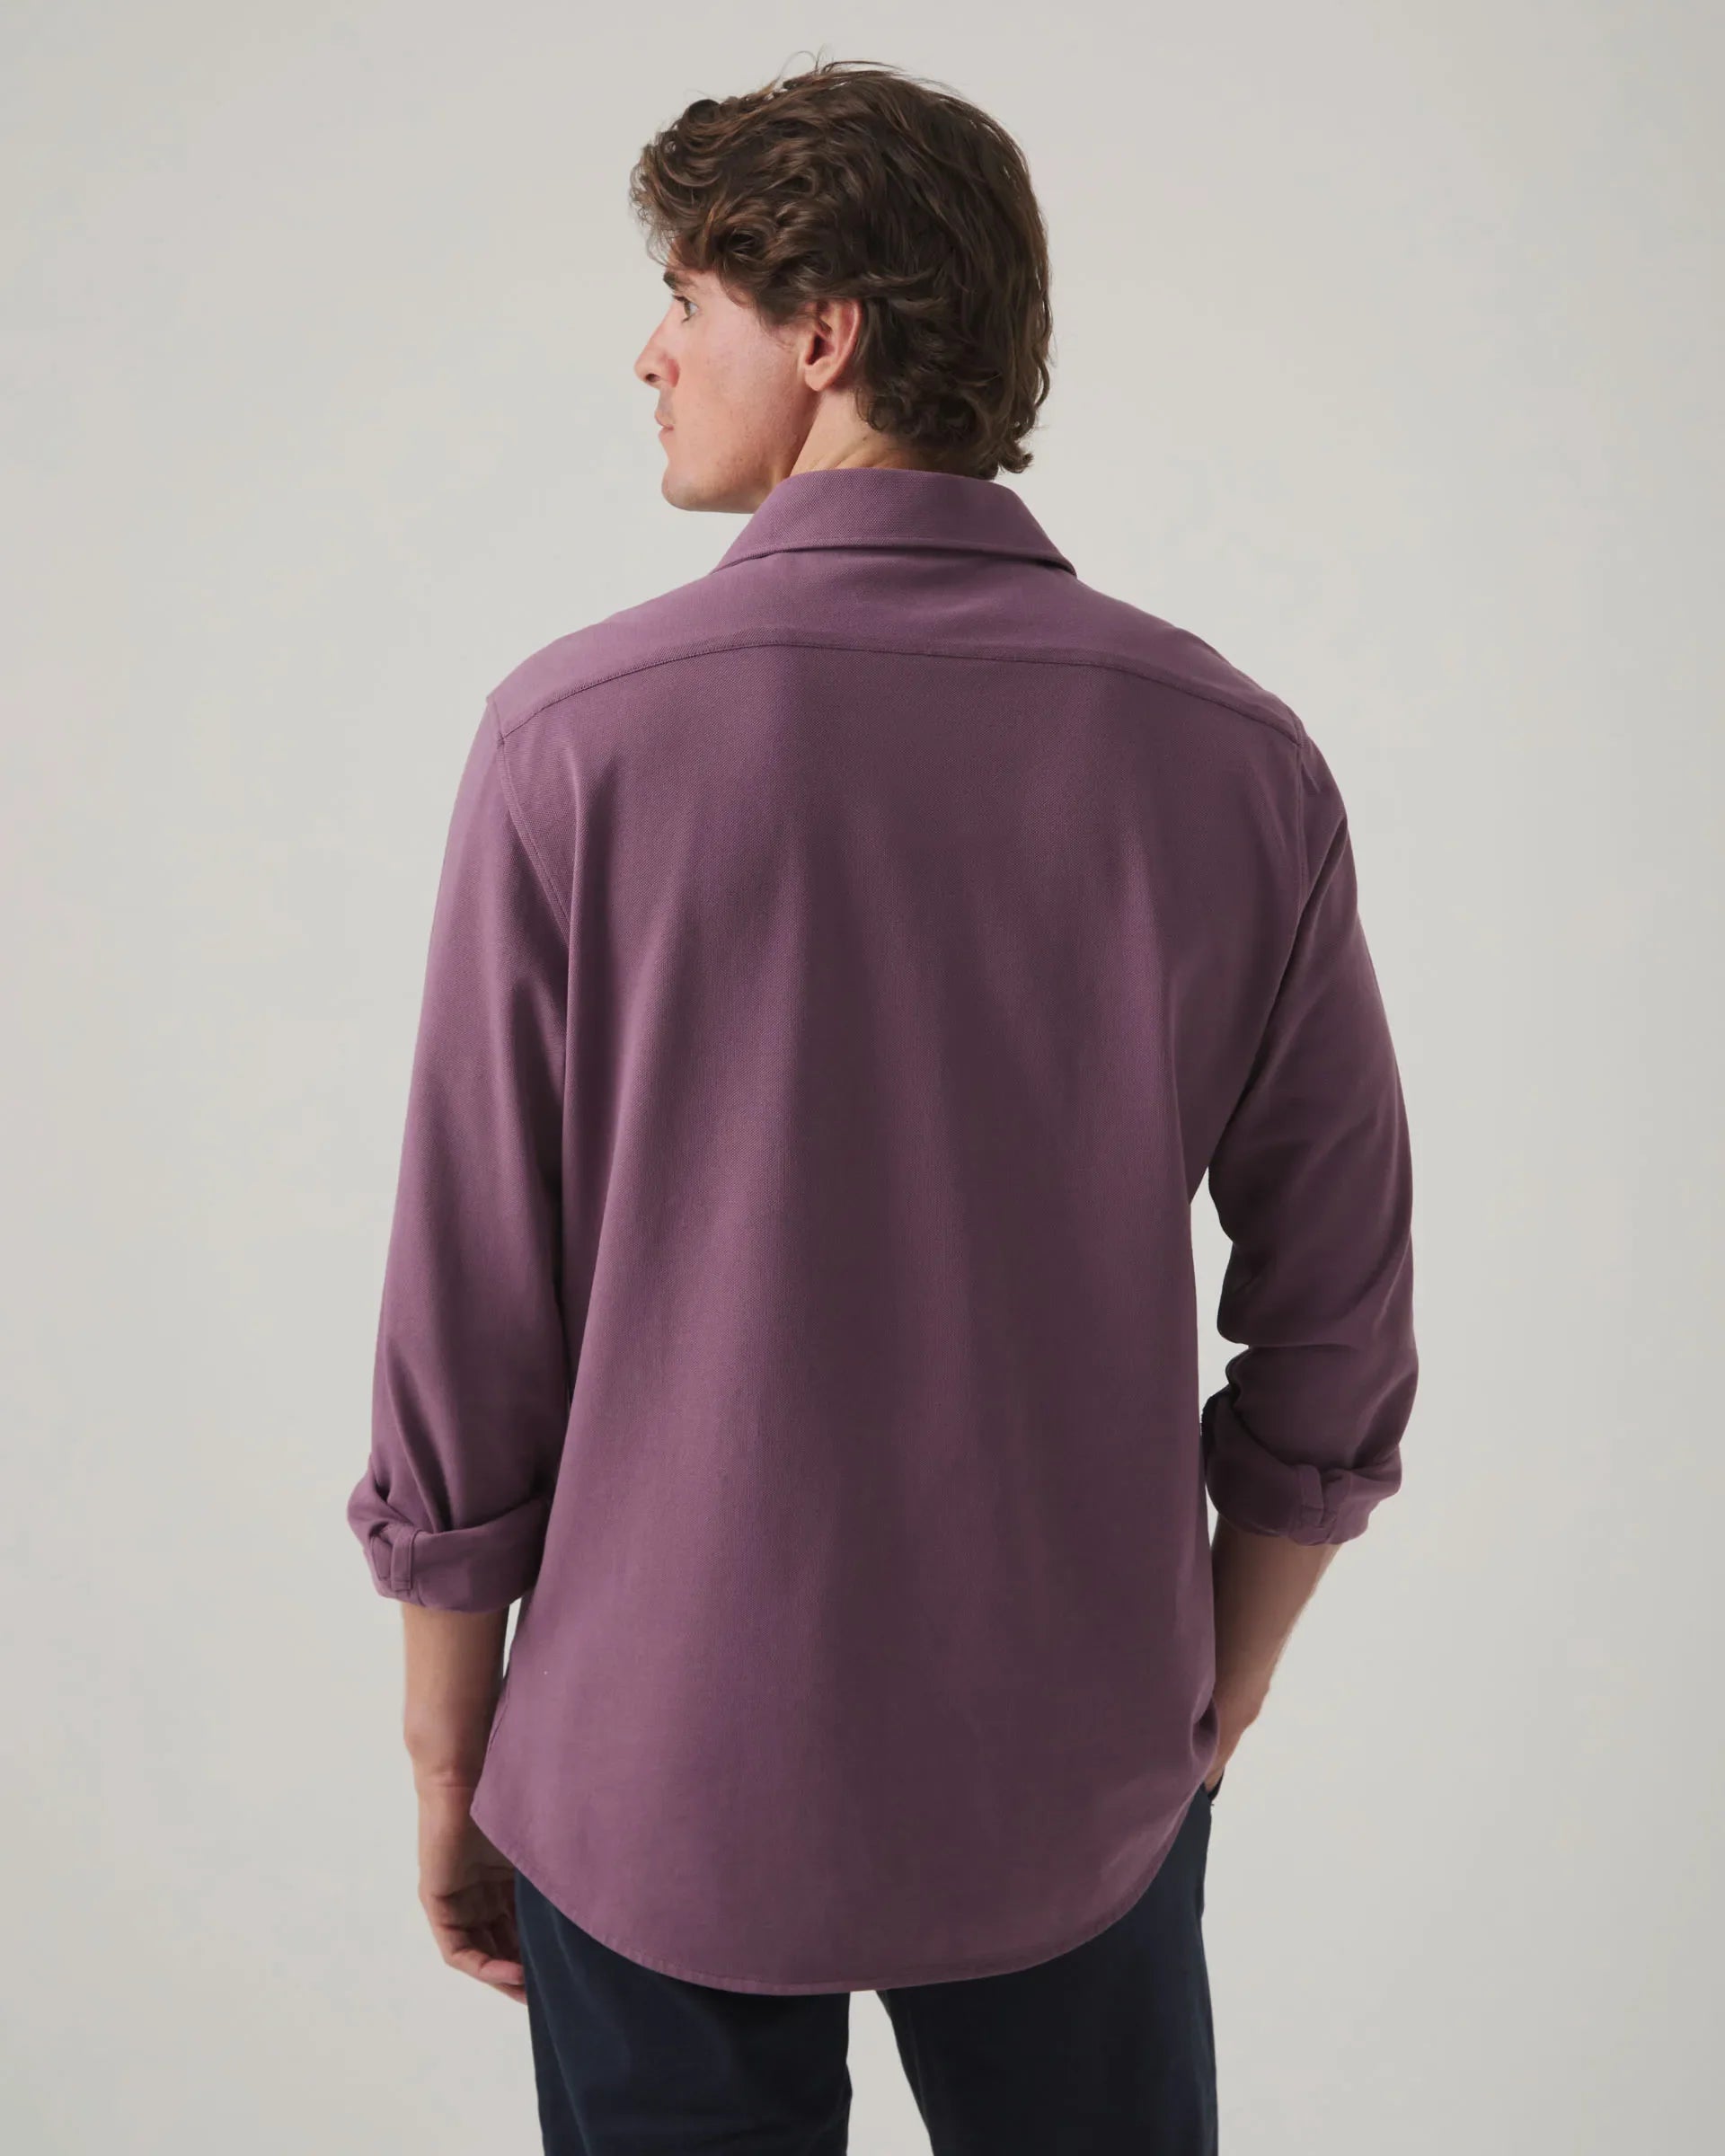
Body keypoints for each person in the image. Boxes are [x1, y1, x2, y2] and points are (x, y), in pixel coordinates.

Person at [345, 55, 1418, 2155]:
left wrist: (446, 1761)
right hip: (1076, 1764)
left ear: (825, 334)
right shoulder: (1232, 760)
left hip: (646, 1763)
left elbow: (466, 1320)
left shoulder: (574, 742)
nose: (650, 352)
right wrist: (1214, 1689)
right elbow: (1343, 1316)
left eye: (688, 295)